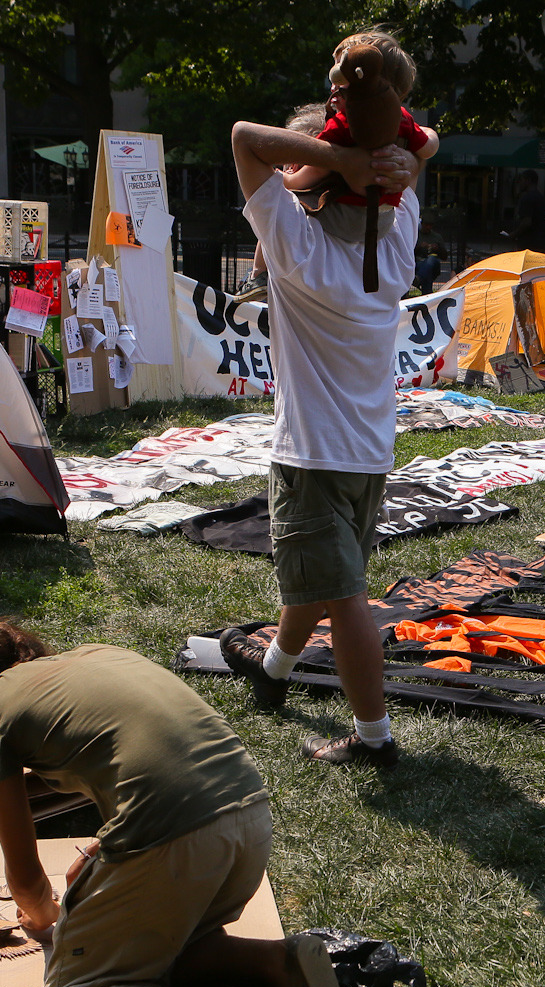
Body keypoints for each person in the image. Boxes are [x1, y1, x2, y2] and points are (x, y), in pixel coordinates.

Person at [0, 621, 346, 987]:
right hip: (250, 818)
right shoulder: (100, 654)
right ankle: (281, 961)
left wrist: (50, 921)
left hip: (176, 839)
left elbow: (25, 872)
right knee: (166, 944)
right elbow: (152, 759)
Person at [222, 44, 425, 767]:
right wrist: (389, 157)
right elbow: (410, 152)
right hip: (370, 455)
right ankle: (274, 669)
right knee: (325, 575)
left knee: (344, 597)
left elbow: (245, 138)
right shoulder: (399, 235)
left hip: (310, 456)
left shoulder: (296, 247)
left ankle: (374, 738)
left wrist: (337, 157)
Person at [282, 32, 441, 244]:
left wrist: (286, 180)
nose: (333, 87)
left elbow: (317, 167)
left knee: (291, 202)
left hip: (343, 218)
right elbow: (428, 146)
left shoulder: (343, 123)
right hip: (384, 220)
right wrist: (414, 155)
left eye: (340, 78)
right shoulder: (402, 120)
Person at [232, 103, 329, 304]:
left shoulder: (292, 227)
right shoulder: (380, 228)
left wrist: (276, 176)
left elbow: (242, 136)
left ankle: (258, 274)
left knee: (268, 225)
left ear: (294, 161)